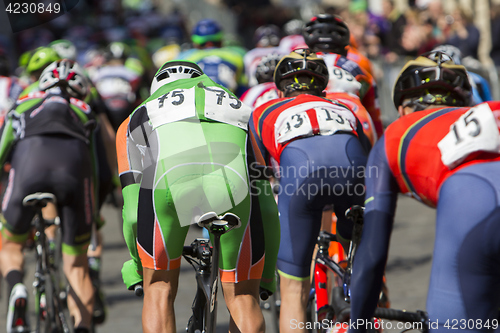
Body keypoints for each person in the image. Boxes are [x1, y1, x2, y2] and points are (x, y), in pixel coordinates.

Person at [117, 60, 278, 333]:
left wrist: (136, 266)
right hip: (232, 186)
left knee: (158, 288)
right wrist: (265, 276)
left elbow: (133, 213)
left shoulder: (138, 115)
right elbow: (266, 205)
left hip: (168, 184)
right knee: (242, 296)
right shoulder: (237, 107)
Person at [348, 52, 500, 332]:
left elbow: (372, 252)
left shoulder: (396, 132)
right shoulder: (487, 113)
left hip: (473, 201)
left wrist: (358, 322)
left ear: (404, 108)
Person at [249, 49, 370, 333]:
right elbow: (368, 154)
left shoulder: (263, 110)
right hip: (354, 170)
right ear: (323, 86)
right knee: (360, 254)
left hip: (302, 178)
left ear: (279, 88)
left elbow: (257, 175)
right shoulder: (345, 109)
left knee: (293, 289)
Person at [0, 59, 96, 333]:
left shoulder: (22, 104)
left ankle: (18, 286)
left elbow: (1, 151)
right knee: (77, 266)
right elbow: (97, 171)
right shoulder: (85, 110)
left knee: (10, 245)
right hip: (73, 172)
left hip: (29, 169)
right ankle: (82, 327)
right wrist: (96, 214)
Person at [303, 14, 384, 138]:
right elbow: (375, 116)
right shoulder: (360, 69)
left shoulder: (300, 67)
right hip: (353, 116)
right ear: (346, 49)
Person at [179, 19, 246, 96]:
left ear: (195, 42)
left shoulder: (185, 58)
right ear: (220, 40)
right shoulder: (237, 56)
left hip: (197, 102)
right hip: (228, 101)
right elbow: (242, 89)